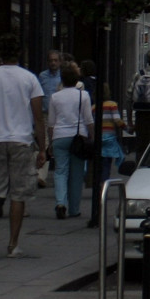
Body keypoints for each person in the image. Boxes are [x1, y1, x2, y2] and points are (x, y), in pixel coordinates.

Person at [0, 34, 47, 260]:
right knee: (18, 193)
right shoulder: (30, 78)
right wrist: (42, 148)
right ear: (20, 53)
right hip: (21, 140)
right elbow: (38, 116)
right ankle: (13, 245)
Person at [47, 63, 92, 221]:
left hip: (60, 136)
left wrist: (50, 142)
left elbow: (51, 123)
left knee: (60, 171)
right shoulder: (83, 95)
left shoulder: (55, 97)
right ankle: (74, 209)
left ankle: (60, 202)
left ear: (62, 79)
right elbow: (88, 120)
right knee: (76, 174)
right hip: (78, 136)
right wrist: (91, 137)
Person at [97, 88, 126, 181]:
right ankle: (104, 182)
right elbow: (117, 120)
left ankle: (99, 181)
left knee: (99, 162)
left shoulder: (93, 107)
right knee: (107, 163)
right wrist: (126, 128)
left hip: (98, 137)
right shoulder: (112, 104)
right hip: (109, 137)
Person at [36, 48, 64, 113]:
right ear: (47, 62)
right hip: (45, 113)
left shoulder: (63, 76)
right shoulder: (42, 76)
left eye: (55, 60)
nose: (53, 63)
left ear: (60, 62)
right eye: (51, 60)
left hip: (59, 113)